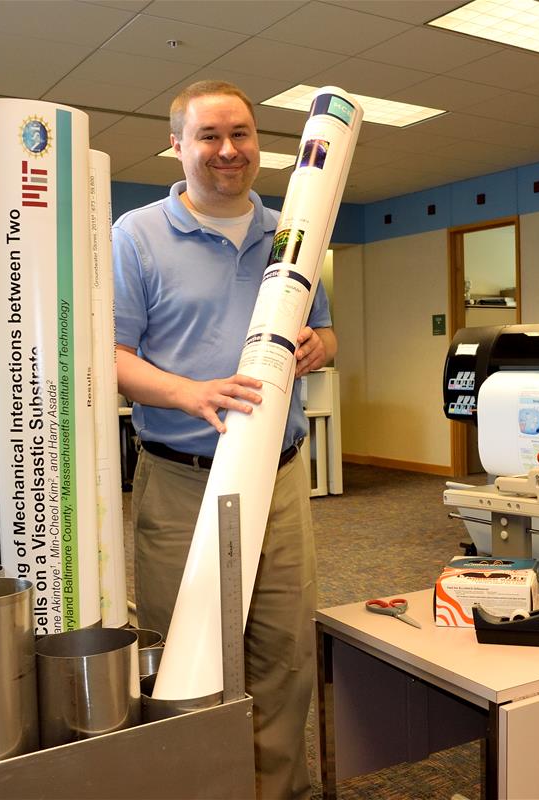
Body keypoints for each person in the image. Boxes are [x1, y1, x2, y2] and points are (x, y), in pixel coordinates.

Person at [113, 79, 334, 799]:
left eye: (240, 133)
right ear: (176, 145)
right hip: (182, 475)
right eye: (208, 136)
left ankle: (279, 791)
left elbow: (326, 332)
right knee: (187, 651)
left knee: (283, 650)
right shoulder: (136, 235)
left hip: (281, 474)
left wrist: (316, 347)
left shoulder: (295, 230)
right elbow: (109, 358)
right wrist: (192, 392)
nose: (228, 150)